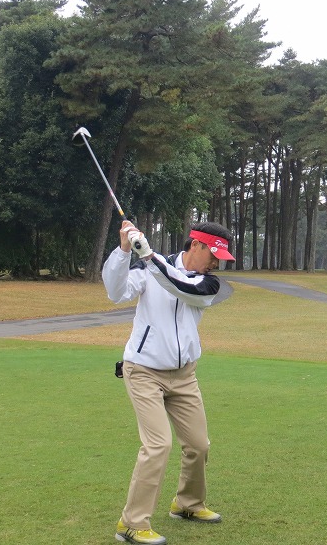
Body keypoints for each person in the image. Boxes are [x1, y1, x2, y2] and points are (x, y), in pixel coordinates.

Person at [102, 220, 235, 545]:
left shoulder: (208, 284)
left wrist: (149, 256)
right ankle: (131, 524)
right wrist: (124, 251)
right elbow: (116, 292)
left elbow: (179, 286)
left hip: (184, 375)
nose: (216, 263)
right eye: (213, 255)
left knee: (199, 445)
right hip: (143, 371)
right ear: (196, 245)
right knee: (158, 445)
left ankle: (188, 504)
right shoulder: (151, 267)